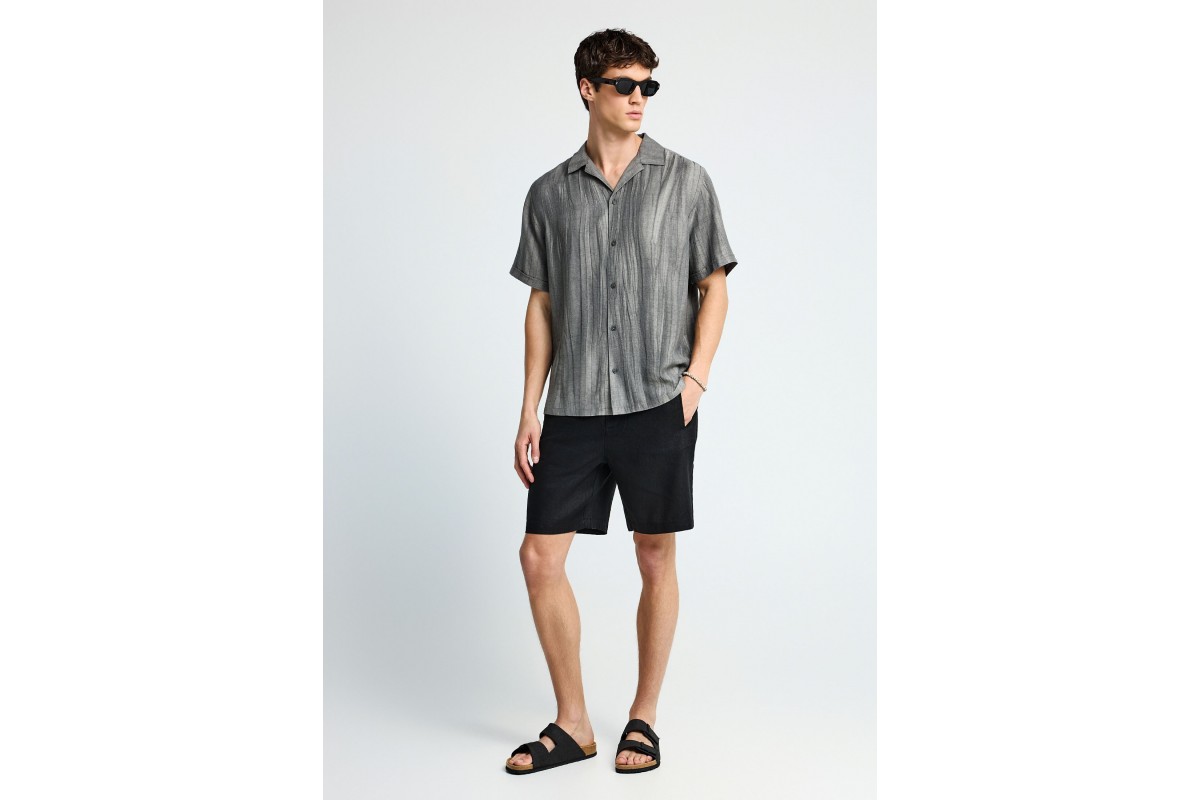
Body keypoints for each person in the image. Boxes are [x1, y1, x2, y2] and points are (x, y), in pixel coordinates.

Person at [504, 28, 739, 776]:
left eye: (648, 86)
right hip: (574, 405)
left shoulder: (687, 181)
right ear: (588, 89)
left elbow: (714, 286)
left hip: (655, 399)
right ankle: (573, 724)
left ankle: (644, 717)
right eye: (625, 85)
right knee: (539, 557)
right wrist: (529, 407)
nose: (640, 98)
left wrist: (694, 382)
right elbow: (542, 304)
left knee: (654, 553)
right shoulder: (548, 194)